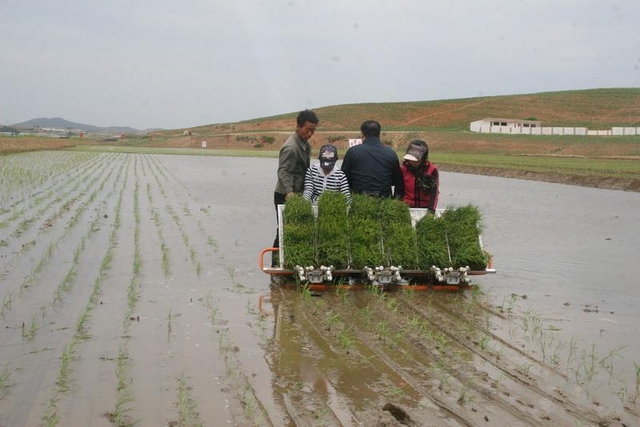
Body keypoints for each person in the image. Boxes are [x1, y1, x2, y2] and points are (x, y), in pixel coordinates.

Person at [272, 109, 319, 254]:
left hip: (298, 192)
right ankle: (275, 261)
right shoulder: (291, 147)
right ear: (298, 126)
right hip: (285, 194)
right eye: (307, 130)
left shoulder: (304, 144)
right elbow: (283, 171)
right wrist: (289, 191)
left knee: (297, 227)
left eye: (313, 130)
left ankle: (290, 258)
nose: (310, 134)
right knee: (284, 228)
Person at [341, 120, 404, 199]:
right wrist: (395, 201)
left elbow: (343, 178)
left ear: (362, 134)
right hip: (384, 201)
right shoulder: (390, 153)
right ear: (379, 133)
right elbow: (398, 182)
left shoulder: (353, 152)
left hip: (358, 201)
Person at [400, 140, 439, 214]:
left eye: (415, 160)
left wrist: (431, 211)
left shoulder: (432, 170)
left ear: (423, 158)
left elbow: (434, 192)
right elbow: (399, 190)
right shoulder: (403, 169)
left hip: (425, 208)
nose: (412, 162)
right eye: (410, 159)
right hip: (406, 208)